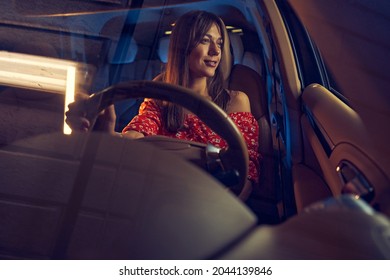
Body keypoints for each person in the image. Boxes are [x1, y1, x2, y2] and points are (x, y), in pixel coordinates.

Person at [66, 10, 259, 201]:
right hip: (158, 202)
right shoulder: (160, 99)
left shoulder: (236, 101)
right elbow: (134, 138)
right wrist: (102, 131)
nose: (215, 52)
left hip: (215, 208)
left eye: (219, 43)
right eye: (205, 40)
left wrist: (218, 213)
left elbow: (247, 170)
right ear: (184, 46)